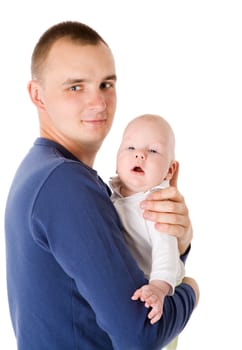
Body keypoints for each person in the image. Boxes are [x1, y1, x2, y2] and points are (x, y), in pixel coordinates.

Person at [4, 21, 199, 350]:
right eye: (76, 87)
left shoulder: (42, 171)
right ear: (38, 95)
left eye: (106, 84)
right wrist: (191, 290)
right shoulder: (65, 183)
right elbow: (141, 335)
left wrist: (177, 243)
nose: (99, 102)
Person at [109, 114, 186, 349]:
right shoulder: (112, 194)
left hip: (163, 285)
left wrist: (159, 288)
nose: (139, 154)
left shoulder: (154, 203)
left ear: (169, 171)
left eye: (153, 151)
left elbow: (166, 251)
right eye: (130, 147)